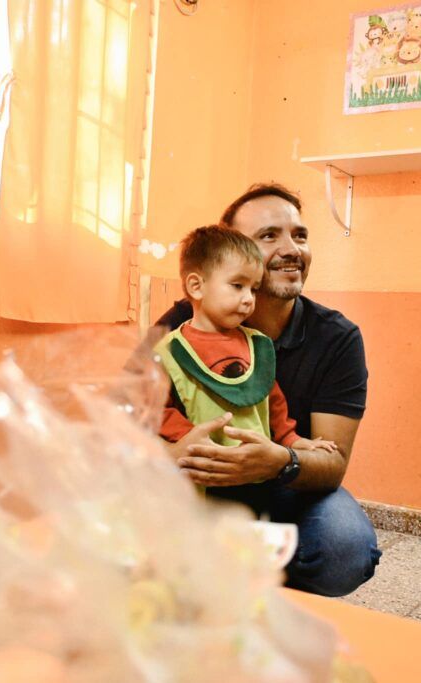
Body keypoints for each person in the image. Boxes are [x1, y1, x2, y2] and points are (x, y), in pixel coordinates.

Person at [155, 183, 380, 597]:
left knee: (344, 548)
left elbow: (332, 464)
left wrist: (280, 460)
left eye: (300, 235)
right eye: (268, 235)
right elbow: (127, 418)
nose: (291, 249)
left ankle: (245, 570)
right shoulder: (183, 327)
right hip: (199, 482)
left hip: (287, 485)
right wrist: (176, 454)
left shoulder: (337, 338)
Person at [155, 225, 337, 460]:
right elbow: (155, 408)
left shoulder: (257, 344)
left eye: (254, 289)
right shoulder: (167, 351)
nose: (249, 299)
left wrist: (291, 439)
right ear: (196, 286)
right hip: (203, 468)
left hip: (257, 469)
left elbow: (273, 401)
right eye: (237, 286)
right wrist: (188, 438)